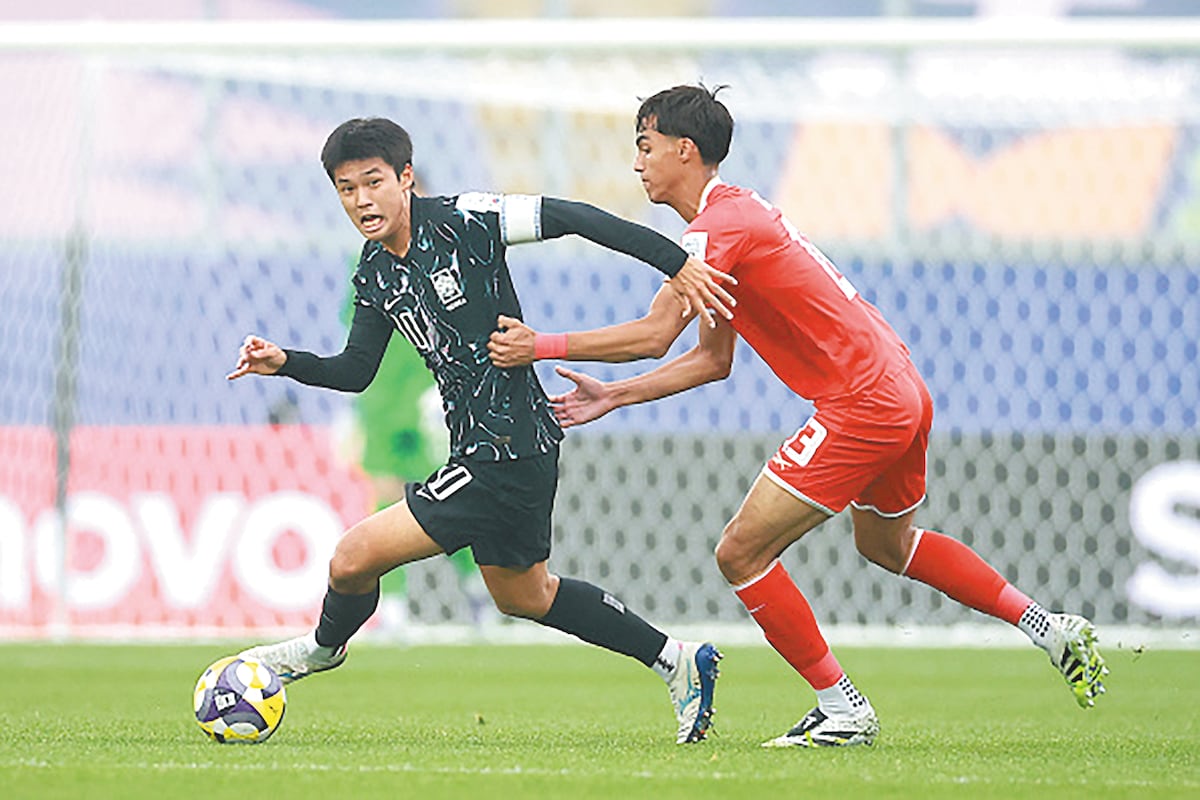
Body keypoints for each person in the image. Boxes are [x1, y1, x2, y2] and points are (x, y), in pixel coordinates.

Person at [487, 84, 1108, 748]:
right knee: (886, 546)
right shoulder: (734, 220)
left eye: (645, 146)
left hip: (862, 401)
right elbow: (711, 359)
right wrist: (617, 393)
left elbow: (654, 331)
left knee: (740, 552)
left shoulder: (715, 231)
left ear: (683, 149)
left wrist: (540, 344)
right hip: (900, 388)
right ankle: (1049, 626)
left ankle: (842, 709)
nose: (637, 163)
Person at [226, 116, 736, 744]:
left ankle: (321, 649)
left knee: (352, 556)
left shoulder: (470, 219)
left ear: (405, 177)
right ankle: (677, 660)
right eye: (346, 189)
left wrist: (676, 261)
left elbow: (574, 214)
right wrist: (286, 362)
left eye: (373, 182)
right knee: (525, 595)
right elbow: (356, 371)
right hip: (498, 449)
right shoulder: (375, 272)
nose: (362, 200)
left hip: (506, 448)